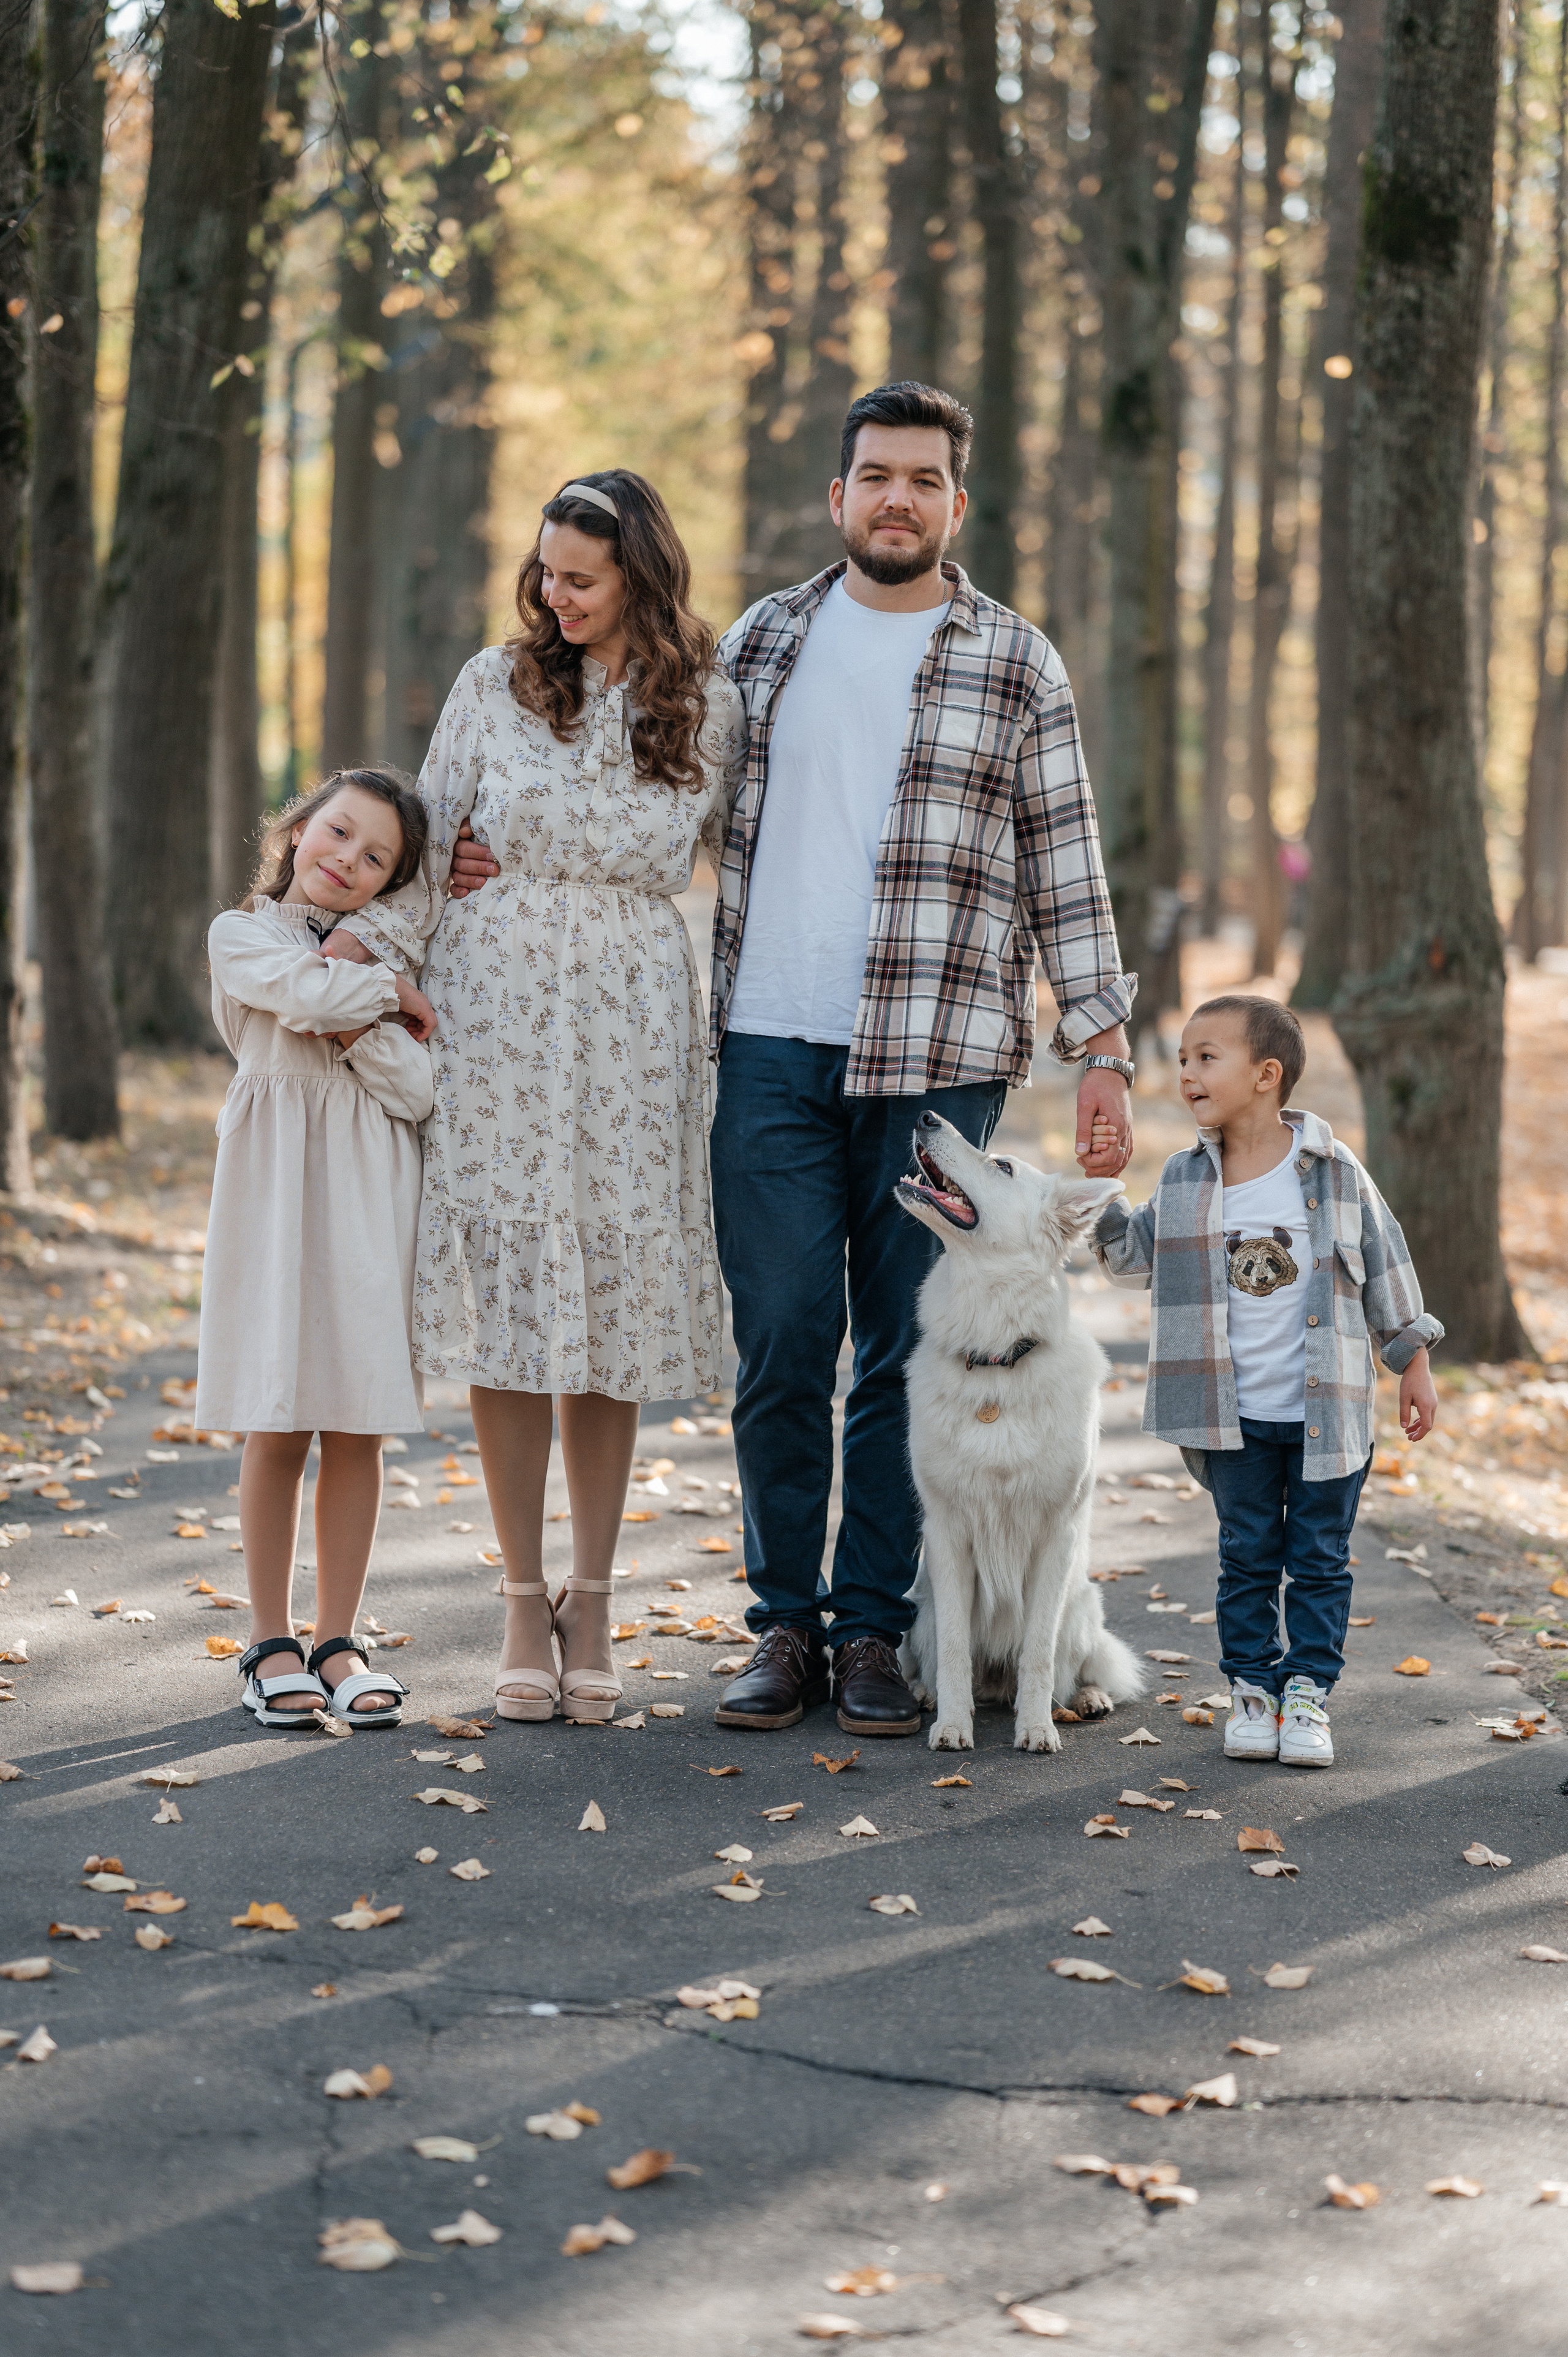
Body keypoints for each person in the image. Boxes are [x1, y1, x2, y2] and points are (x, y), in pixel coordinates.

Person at [448, 384, 1136, 1739]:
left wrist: (1100, 1043)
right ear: (838, 499)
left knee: (895, 1351)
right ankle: (781, 1626)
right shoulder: (760, 643)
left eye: (922, 480)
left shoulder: (1015, 660)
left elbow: (1066, 856)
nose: (895, 498)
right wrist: (485, 850)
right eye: (873, 476)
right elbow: (641, 779)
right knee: (777, 1339)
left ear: (954, 504)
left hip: (936, 1051)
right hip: (763, 1042)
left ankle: (873, 1630)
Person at [323, 471, 745, 1725]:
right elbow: (422, 844)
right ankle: (521, 1595)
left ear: (641, 579)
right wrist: (361, 959)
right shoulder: (488, 684)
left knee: (605, 1307)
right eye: (545, 572)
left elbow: (740, 865)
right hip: (496, 1015)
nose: (553, 597)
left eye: (581, 578)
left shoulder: (704, 699)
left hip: (629, 1021)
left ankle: (596, 1598)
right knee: (512, 1303)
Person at [1093, 994, 1443, 1769]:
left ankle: (1307, 1692)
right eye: (1182, 1059)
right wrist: (1102, 1189)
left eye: (1204, 1057)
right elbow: (1129, 1258)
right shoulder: (1185, 1179)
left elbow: (1385, 1260)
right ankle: (1252, 1688)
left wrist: (1412, 1359)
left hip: (1330, 1409)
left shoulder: (1331, 1167)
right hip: (1231, 1414)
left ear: (1265, 1074)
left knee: (1319, 1557)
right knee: (1247, 1554)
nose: (1186, 1072)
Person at [197, 768, 437, 1731]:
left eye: (375, 856)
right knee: (279, 1412)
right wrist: (382, 995)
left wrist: (357, 1020)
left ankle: (337, 1637)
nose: (348, 859)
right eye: (338, 833)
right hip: (274, 1190)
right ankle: (269, 1641)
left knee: (356, 1419)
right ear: (297, 830)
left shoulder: (369, 956)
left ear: (388, 884)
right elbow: (290, 987)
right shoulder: (239, 931)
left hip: (368, 1190)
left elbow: (418, 1088)